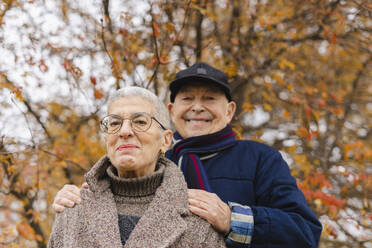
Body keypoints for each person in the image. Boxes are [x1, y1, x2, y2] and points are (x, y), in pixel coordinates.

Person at [52, 62, 323, 247]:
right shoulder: (151, 159)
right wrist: (77, 198)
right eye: (187, 99)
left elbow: (305, 233)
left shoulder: (259, 158)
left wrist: (233, 220)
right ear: (171, 110)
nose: (197, 107)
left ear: (229, 111)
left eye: (209, 99)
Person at [48, 86, 226, 248]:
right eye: (115, 123)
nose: (125, 131)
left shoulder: (199, 219)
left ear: (165, 140)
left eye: (140, 122)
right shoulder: (72, 211)